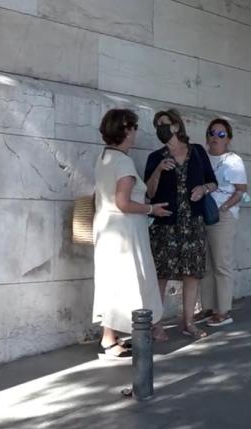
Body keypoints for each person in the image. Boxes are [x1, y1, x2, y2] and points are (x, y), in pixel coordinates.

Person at [91, 109, 170, 358]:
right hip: (124, 232)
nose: (136, 132)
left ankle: (109, 337)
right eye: (134, 127)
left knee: (111, 283)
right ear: (126, 129)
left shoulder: (105, 156)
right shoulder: (123, 161)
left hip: (107, 228)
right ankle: (116, 338)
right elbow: (123, 202)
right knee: (128, 281)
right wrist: (151, 208)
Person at [145, 109, 219, 340]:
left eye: (164, 123)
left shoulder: (197, 152)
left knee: (192, 274)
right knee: (161, 274)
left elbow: (213, 182)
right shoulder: (155, 157)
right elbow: (150, 193)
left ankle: (188, 322)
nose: (160, 128)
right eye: (157, 125)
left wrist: (203, 189)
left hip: (193, 222)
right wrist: (158, 170)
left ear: (176, 126)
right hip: (166, 222)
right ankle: (155, 323)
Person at [199, 118, 248, 327]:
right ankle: (208, 307)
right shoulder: (202, 157)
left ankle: (224, 310)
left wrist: (225, 207)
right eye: (212, 133)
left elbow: (241, 190)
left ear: (228, 138)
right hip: (202, 214)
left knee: (221, 263)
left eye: (221, 134)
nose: (215, 138)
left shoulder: (233, 160)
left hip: (223, 215)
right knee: (206, 264)